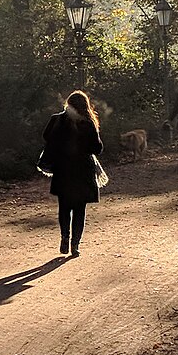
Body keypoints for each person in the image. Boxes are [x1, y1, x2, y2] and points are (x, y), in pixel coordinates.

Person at [41, 90, 104, 259]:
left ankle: (64, 237)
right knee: (79, 210)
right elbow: (97, 148)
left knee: (64, 207)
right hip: (82, 171)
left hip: (63, 170)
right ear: (85, 105)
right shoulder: (88, 122)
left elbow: (46, 136)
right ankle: (75, 244)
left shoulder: (57, 119)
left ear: (68, 103)